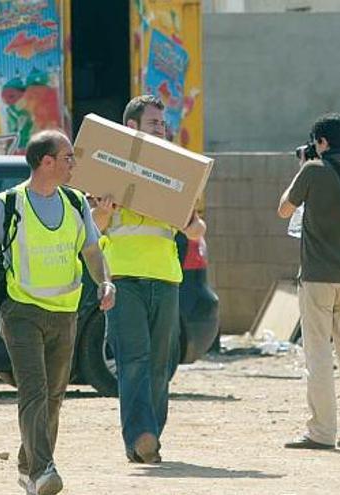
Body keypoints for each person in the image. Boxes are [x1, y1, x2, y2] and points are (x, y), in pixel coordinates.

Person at [0, 130, 115, 495]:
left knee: (54, 396)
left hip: (65, 313)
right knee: (34, 391)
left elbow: (92, 251)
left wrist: (105, 282)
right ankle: (43, 469)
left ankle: (27, 465)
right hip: (20, 311)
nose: (74, 164)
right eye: (68, 157)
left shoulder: (75, 203)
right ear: (46, 162)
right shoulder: (7, 205)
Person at [90, 95, 206, 464]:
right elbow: (93, 226)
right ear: (132, 128)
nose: (163, 128)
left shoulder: (175, 172)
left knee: (160, 363)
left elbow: (198, 228)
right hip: (123, 278)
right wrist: (104, 211)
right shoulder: (108, 168)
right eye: (155, 123)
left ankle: (148, 435)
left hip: (165, 278)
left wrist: (189, 223)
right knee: (134, 361)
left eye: (163, 123)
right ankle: (141, 435)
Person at [278, 113, 340, 450]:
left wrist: (304, 167)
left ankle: (321, 431)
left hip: (318, 277)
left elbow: (284, 210)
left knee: (318, 354)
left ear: (321, 142)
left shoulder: (312, 171)